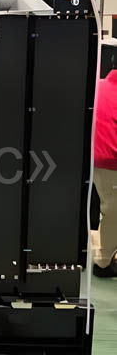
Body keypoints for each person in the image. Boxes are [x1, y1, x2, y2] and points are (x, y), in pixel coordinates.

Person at [93, 47, 117, 277]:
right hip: (110, 161)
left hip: (93, 158)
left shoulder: (98, 85)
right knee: (113, 212)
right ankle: (102, 262)